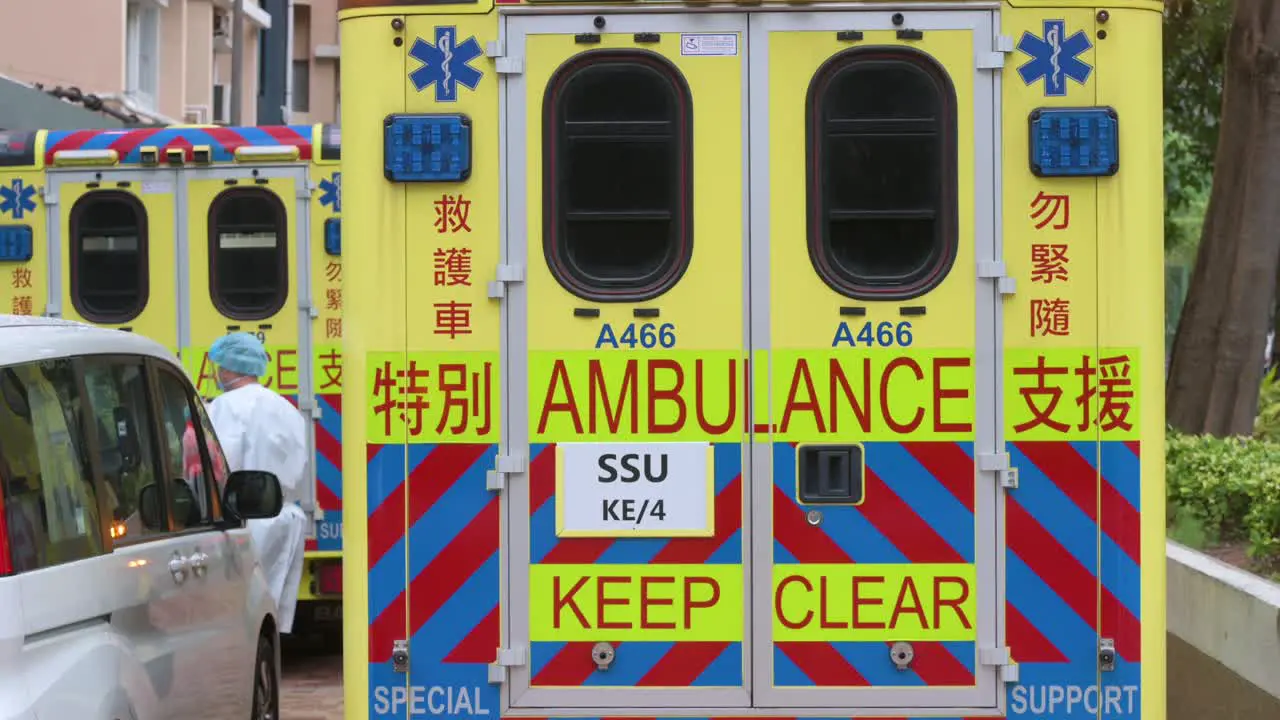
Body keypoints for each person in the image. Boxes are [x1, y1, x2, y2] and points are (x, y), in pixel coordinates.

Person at [205, 332, 309, 634]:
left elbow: (222, 464)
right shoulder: (286, 408)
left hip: (246, 522)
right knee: (270, 612)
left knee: (243, 616)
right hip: (286, 518)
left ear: (226, 367)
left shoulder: (225, 407)